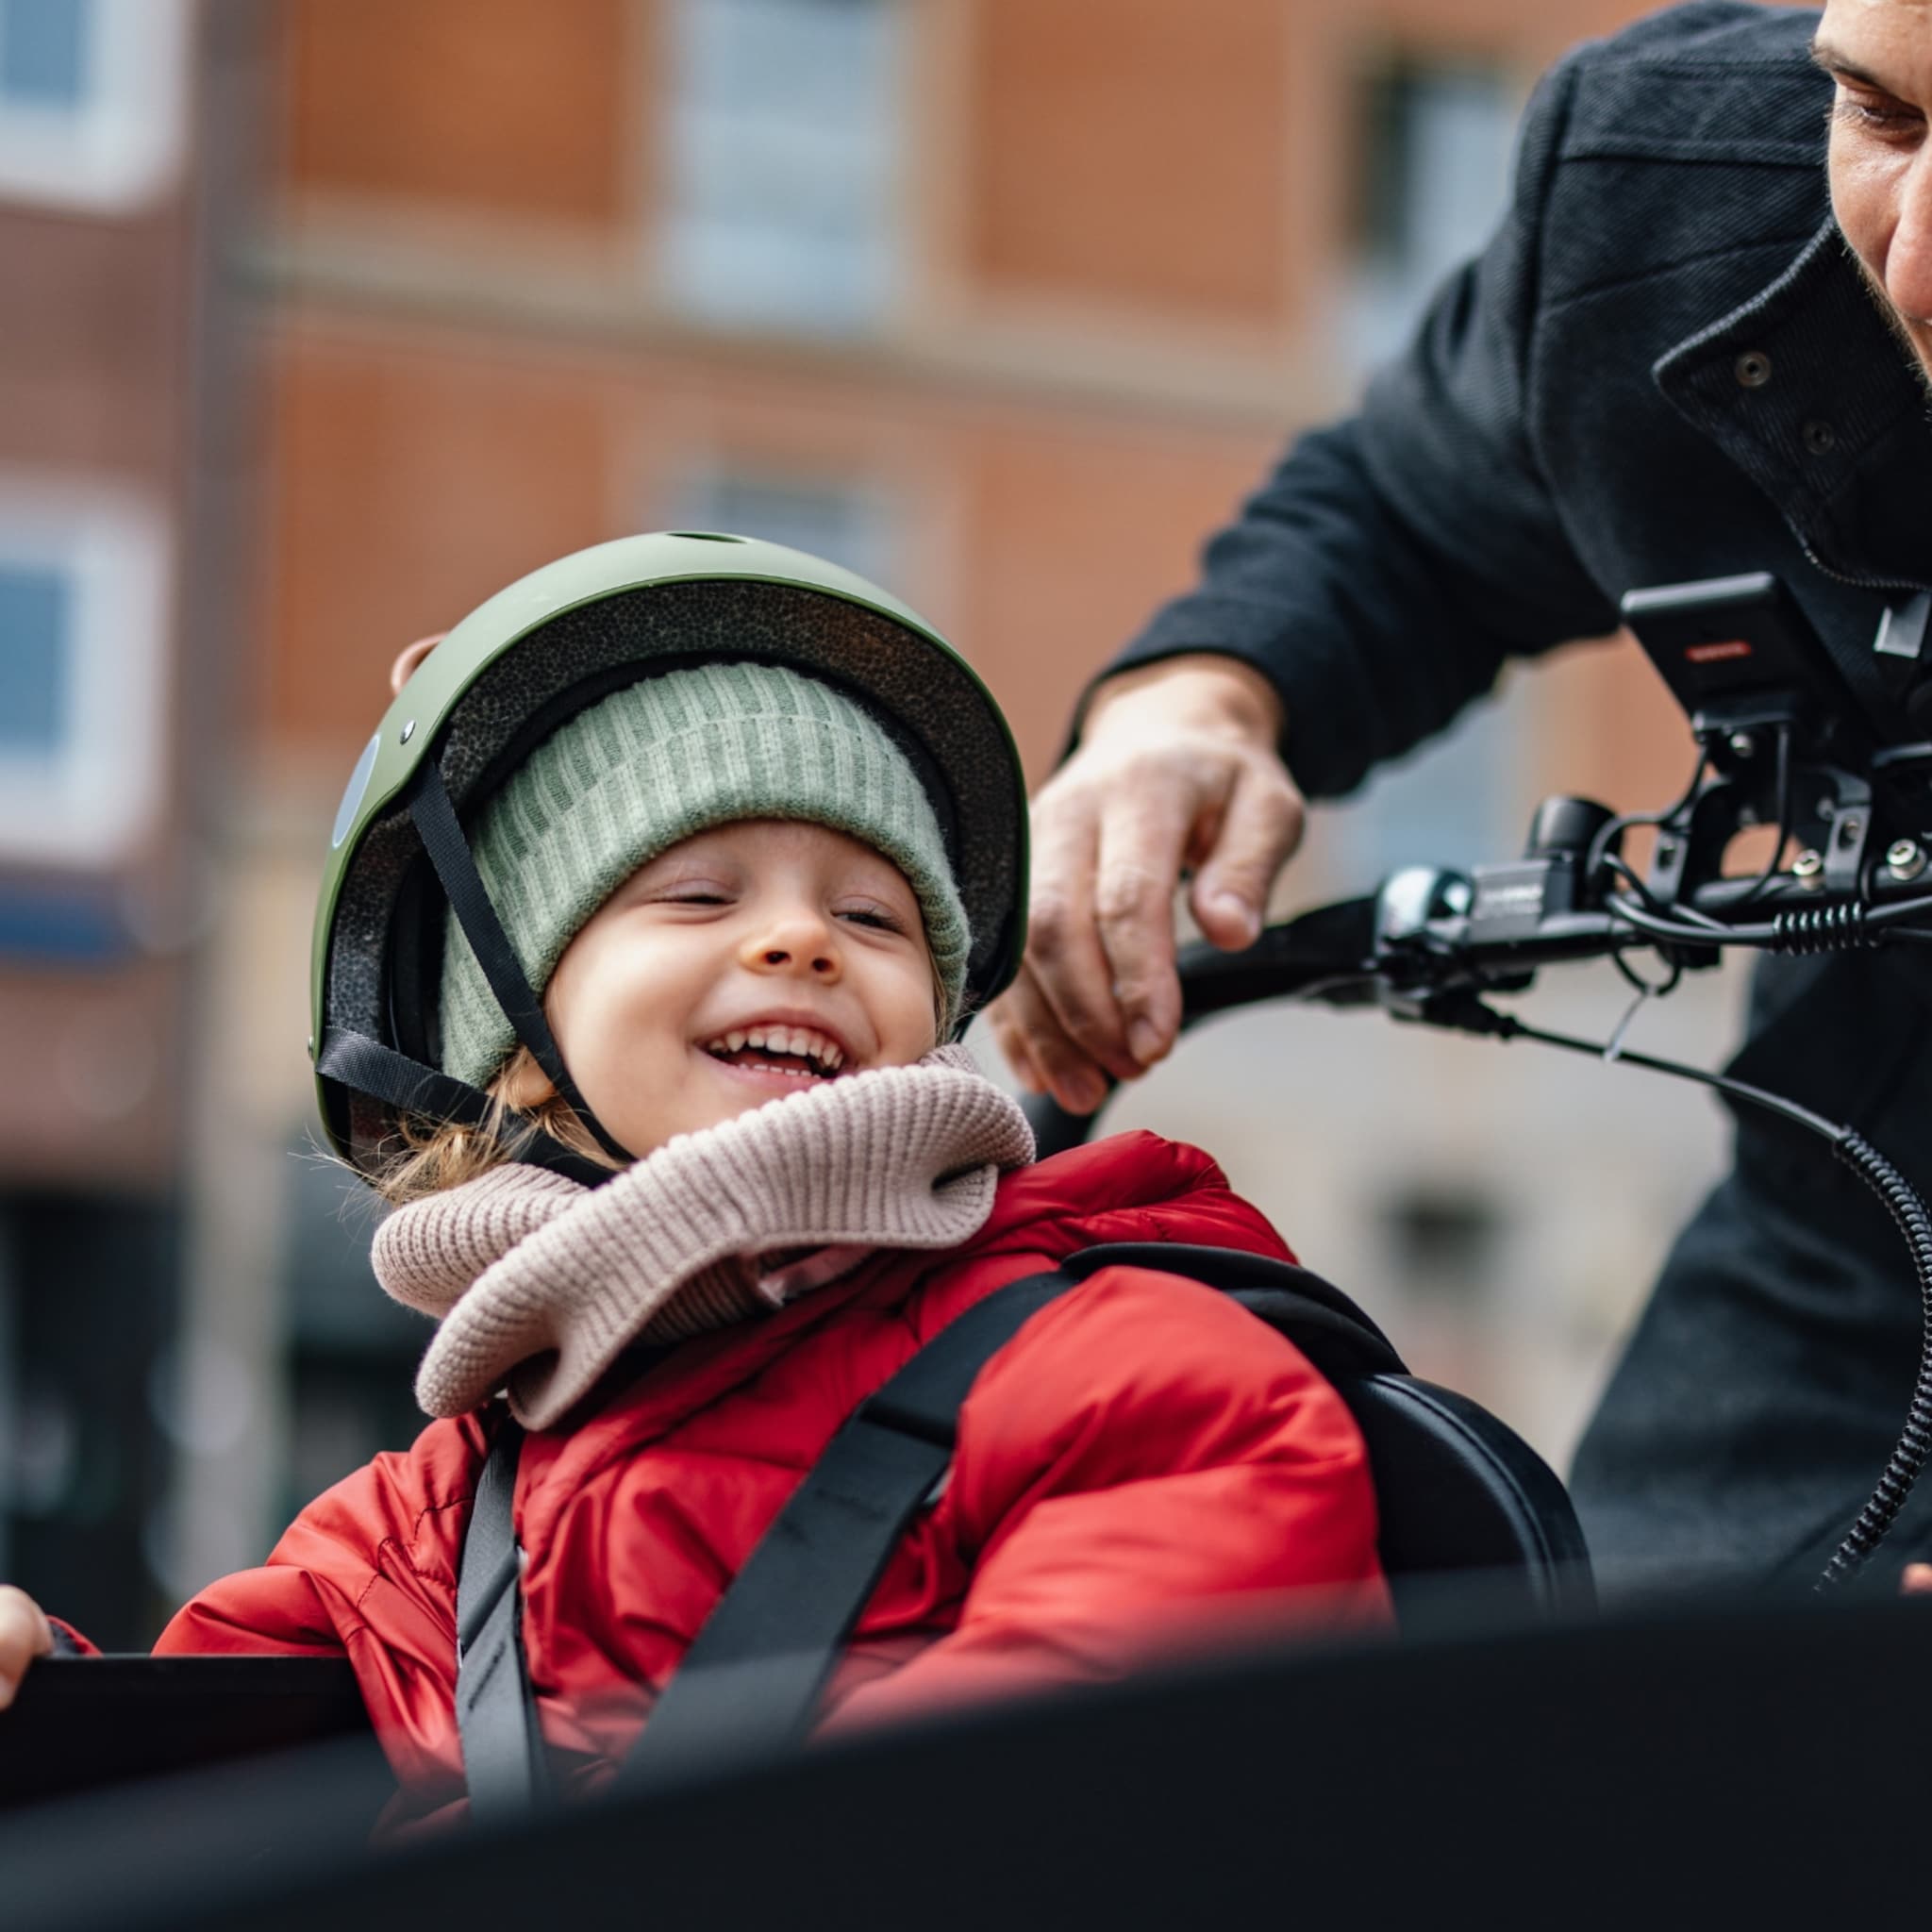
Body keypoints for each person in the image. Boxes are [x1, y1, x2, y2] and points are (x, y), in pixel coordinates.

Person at [0, 534, 1387, 1824]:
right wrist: (40, 1692)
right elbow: (180, 1820)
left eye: (873, 915)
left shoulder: (1136, 1384)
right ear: (514, 1038)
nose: (801, 941)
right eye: (698, 895)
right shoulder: (420, 1529)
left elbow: (1050, 1828)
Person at [989, 0, 1932, 1593]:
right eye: (1883, 114)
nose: (1911, 269)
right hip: (1859, 1206)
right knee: (1608, 1771)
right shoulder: (1664, 193)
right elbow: (1411, 518)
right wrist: (1202, 704)